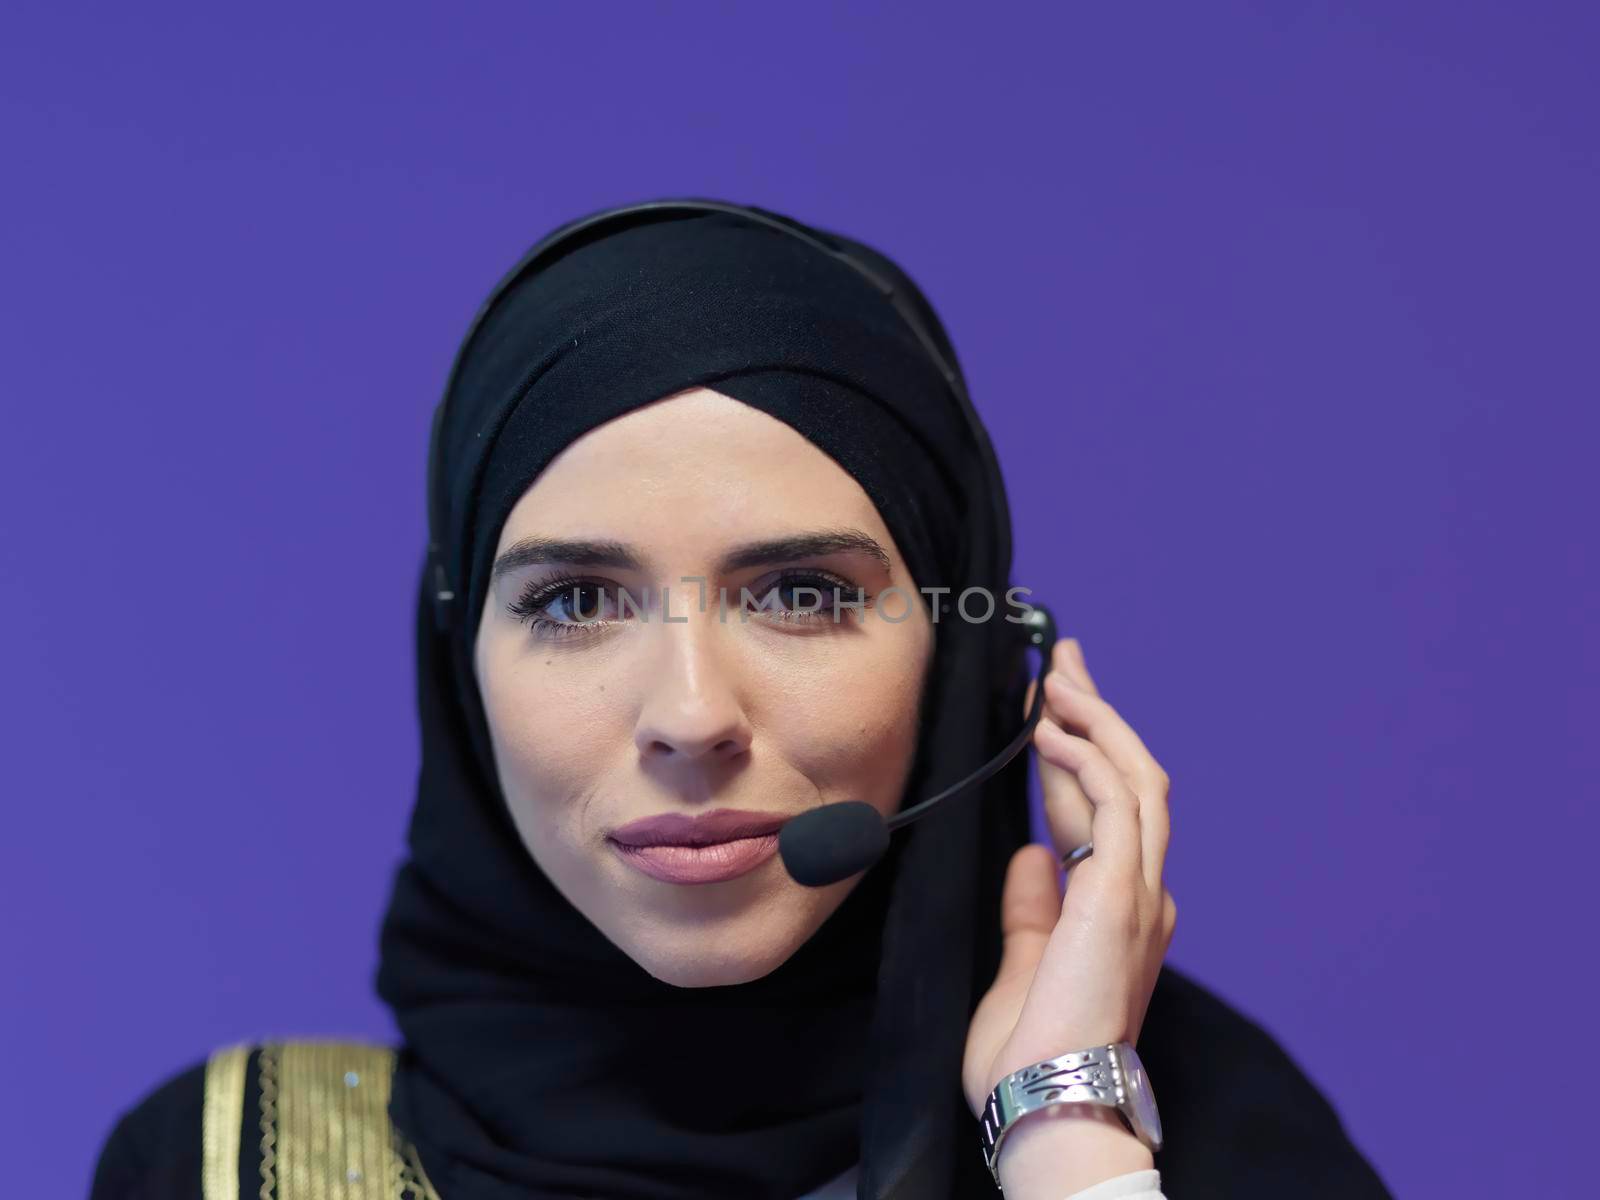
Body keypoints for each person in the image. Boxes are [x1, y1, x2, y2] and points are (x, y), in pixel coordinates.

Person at [89, 199, 1393, 1200]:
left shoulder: (1210, 1132)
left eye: (804, 594)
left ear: (966, 656)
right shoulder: (219, 1165)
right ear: (456, 665)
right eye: (575, 602)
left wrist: (1065, 1136)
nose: (691, 714)